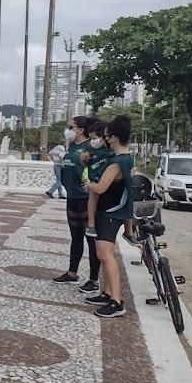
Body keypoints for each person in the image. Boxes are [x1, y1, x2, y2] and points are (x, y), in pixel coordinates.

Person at [84, 115, 134, 318]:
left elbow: (101, 187)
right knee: (104, 255)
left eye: (106, 136)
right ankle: (106, 293)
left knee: (105, 255)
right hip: (117, 212)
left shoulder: (116, 162)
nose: (103, 140)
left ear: (112, 138)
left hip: (110, 212)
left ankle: (116, 301)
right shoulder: (127, 158)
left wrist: (89, 185)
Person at [51, 116, 102, 294]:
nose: (68, 130)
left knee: (91, 240)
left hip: (87, 200)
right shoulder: (71, 146)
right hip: (72, 198)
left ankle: (94, 279)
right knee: (76, 237)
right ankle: (72, 273)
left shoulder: (90, 147)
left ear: (80, 130)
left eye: (71, 127)